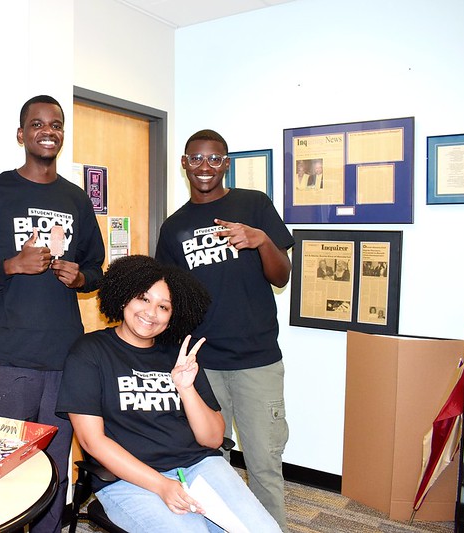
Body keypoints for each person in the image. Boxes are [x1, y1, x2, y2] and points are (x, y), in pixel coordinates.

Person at [0, 95, 105, 533]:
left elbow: (97, 270)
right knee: (5, 466)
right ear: (21, 135)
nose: (48, 131)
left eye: (56, 124)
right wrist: (11, 265)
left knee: (55, 468)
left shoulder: (76, 199)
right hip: (10, 360)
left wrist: (81, 277)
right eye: (37, 124)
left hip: (65, 359)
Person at [56, 255, 280, 532]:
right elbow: (92, 442)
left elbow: (212, 439)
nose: (151, 313)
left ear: (173, 315)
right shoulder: (90, 352)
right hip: (128, 480)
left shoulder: (179, 355)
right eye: (143, 298)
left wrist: (186, 388)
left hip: (198, 466)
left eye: (163, 306)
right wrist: (161, 485)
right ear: (124, 298)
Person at [156, 129, 294, 530]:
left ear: (226, 164)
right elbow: (170, 297)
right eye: (196, 158)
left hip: (256, 362)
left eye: (214, 159)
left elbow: (282, 276)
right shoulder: (174, 227)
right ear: (184, 163)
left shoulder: (254, 204)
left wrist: (261, 240)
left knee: (264, 465)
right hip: (204, 365)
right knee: (210, 463)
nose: (205, 166)